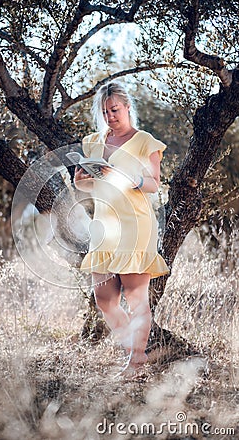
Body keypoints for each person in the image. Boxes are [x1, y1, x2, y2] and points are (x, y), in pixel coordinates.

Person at [74, 81, 169, 373]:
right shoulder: (92, 142)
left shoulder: (144, 141)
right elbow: (89, 186)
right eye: (104, 112)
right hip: (104, 224)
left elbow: (154, 183)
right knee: (104, 300)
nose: (110, 116)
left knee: (135, 297)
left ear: (128, 107)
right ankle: (137, 353)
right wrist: (81, 181)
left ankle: (135, 361)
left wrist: (131, 179)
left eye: (115, 110)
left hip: (135, 223)